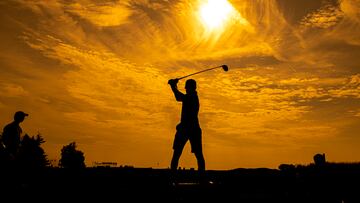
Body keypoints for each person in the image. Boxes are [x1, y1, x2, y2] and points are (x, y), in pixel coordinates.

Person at [168, 78, 205, 173]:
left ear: (190, 88)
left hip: (189, 129)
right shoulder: (191, 96)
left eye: (187, 88)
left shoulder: (191, 97)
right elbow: (179, 97)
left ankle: (201, 178)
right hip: (190, 129)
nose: (186, 89)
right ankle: (201, 177)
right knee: (179, 153)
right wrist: (174, 86)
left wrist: (173, 86)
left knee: (196, 154)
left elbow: (178, 97)